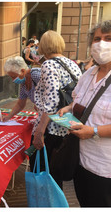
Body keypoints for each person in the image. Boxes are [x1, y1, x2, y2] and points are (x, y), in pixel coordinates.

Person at [58, 20, 111, 207]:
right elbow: (79, 101)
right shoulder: (88, 74)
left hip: (105, 167)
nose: (101, 44)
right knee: (85, 203)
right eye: (97, 39)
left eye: (108, 38)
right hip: (81, 160)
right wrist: (68, 108)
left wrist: (94, 131)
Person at [32, 30, 82, 188]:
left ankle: (44, 203)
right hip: (66, 124)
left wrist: (40, 131)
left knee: (42, 170)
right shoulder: (71, 64)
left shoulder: (48, 64)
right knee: (54, 172)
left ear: (44, 46)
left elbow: (52, 101)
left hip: (50, 126)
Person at [0, 56, 41, 122]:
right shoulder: (23, 83)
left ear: (22, 71)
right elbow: (20, 104)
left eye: (13, 76)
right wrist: (8, 117)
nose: (13, 80)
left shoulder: (36, 75)